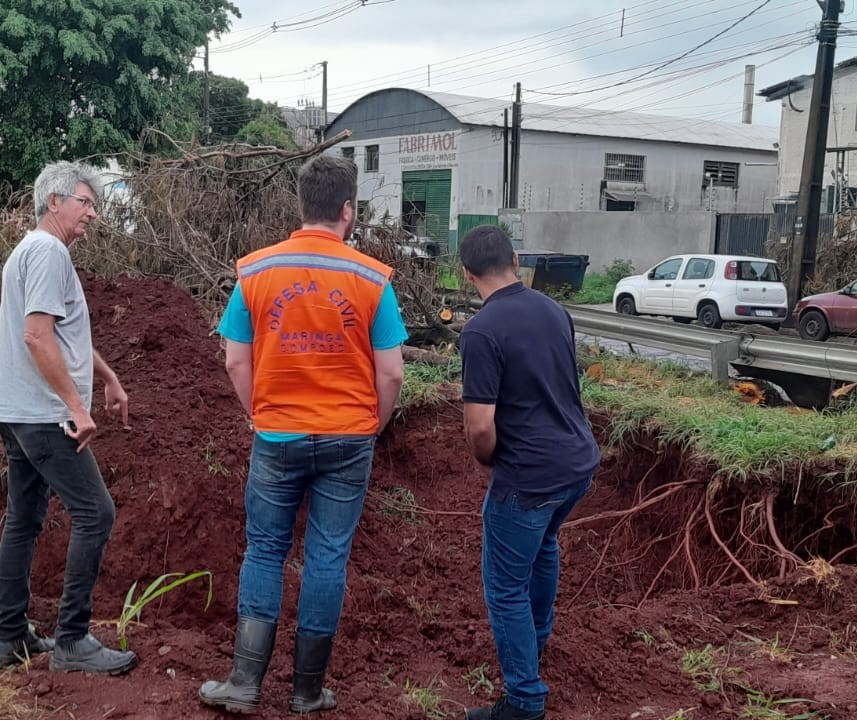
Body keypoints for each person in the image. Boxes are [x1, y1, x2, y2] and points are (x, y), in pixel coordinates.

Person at [199, 154, 406, 714]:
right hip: (349, 437)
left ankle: (243, 685)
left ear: (302, 206)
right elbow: (390, 372)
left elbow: (235, 363)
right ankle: (307, 691)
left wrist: (258, 414)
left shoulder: (256, 271)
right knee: (327, 558)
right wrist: (373, 426)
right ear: (348, 210)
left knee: (265, 550)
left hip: (277, 435)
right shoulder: (371, 278)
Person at [458, 226, 601, 720]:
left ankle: (524, 700)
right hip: (577, 463)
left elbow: (480, 428)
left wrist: (490, 462)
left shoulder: (481, 331)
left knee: (504, 586)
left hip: (530, 475)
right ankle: (535, 645)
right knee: (543, 547)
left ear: (466, 274)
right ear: (516, 260)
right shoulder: (553, 310)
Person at [0, 161, 136, 674]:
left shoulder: (26, 253)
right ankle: (73, 640)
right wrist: (76, 408)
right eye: (86, 202)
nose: (93, 214)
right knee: (95, 512)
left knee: (24, 520)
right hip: (44, 414)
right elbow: (37, 336)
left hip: (17, 410)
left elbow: (58, 334)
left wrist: (106, 377)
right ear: (54, 201)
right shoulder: (49, 251)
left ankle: (8, 635)